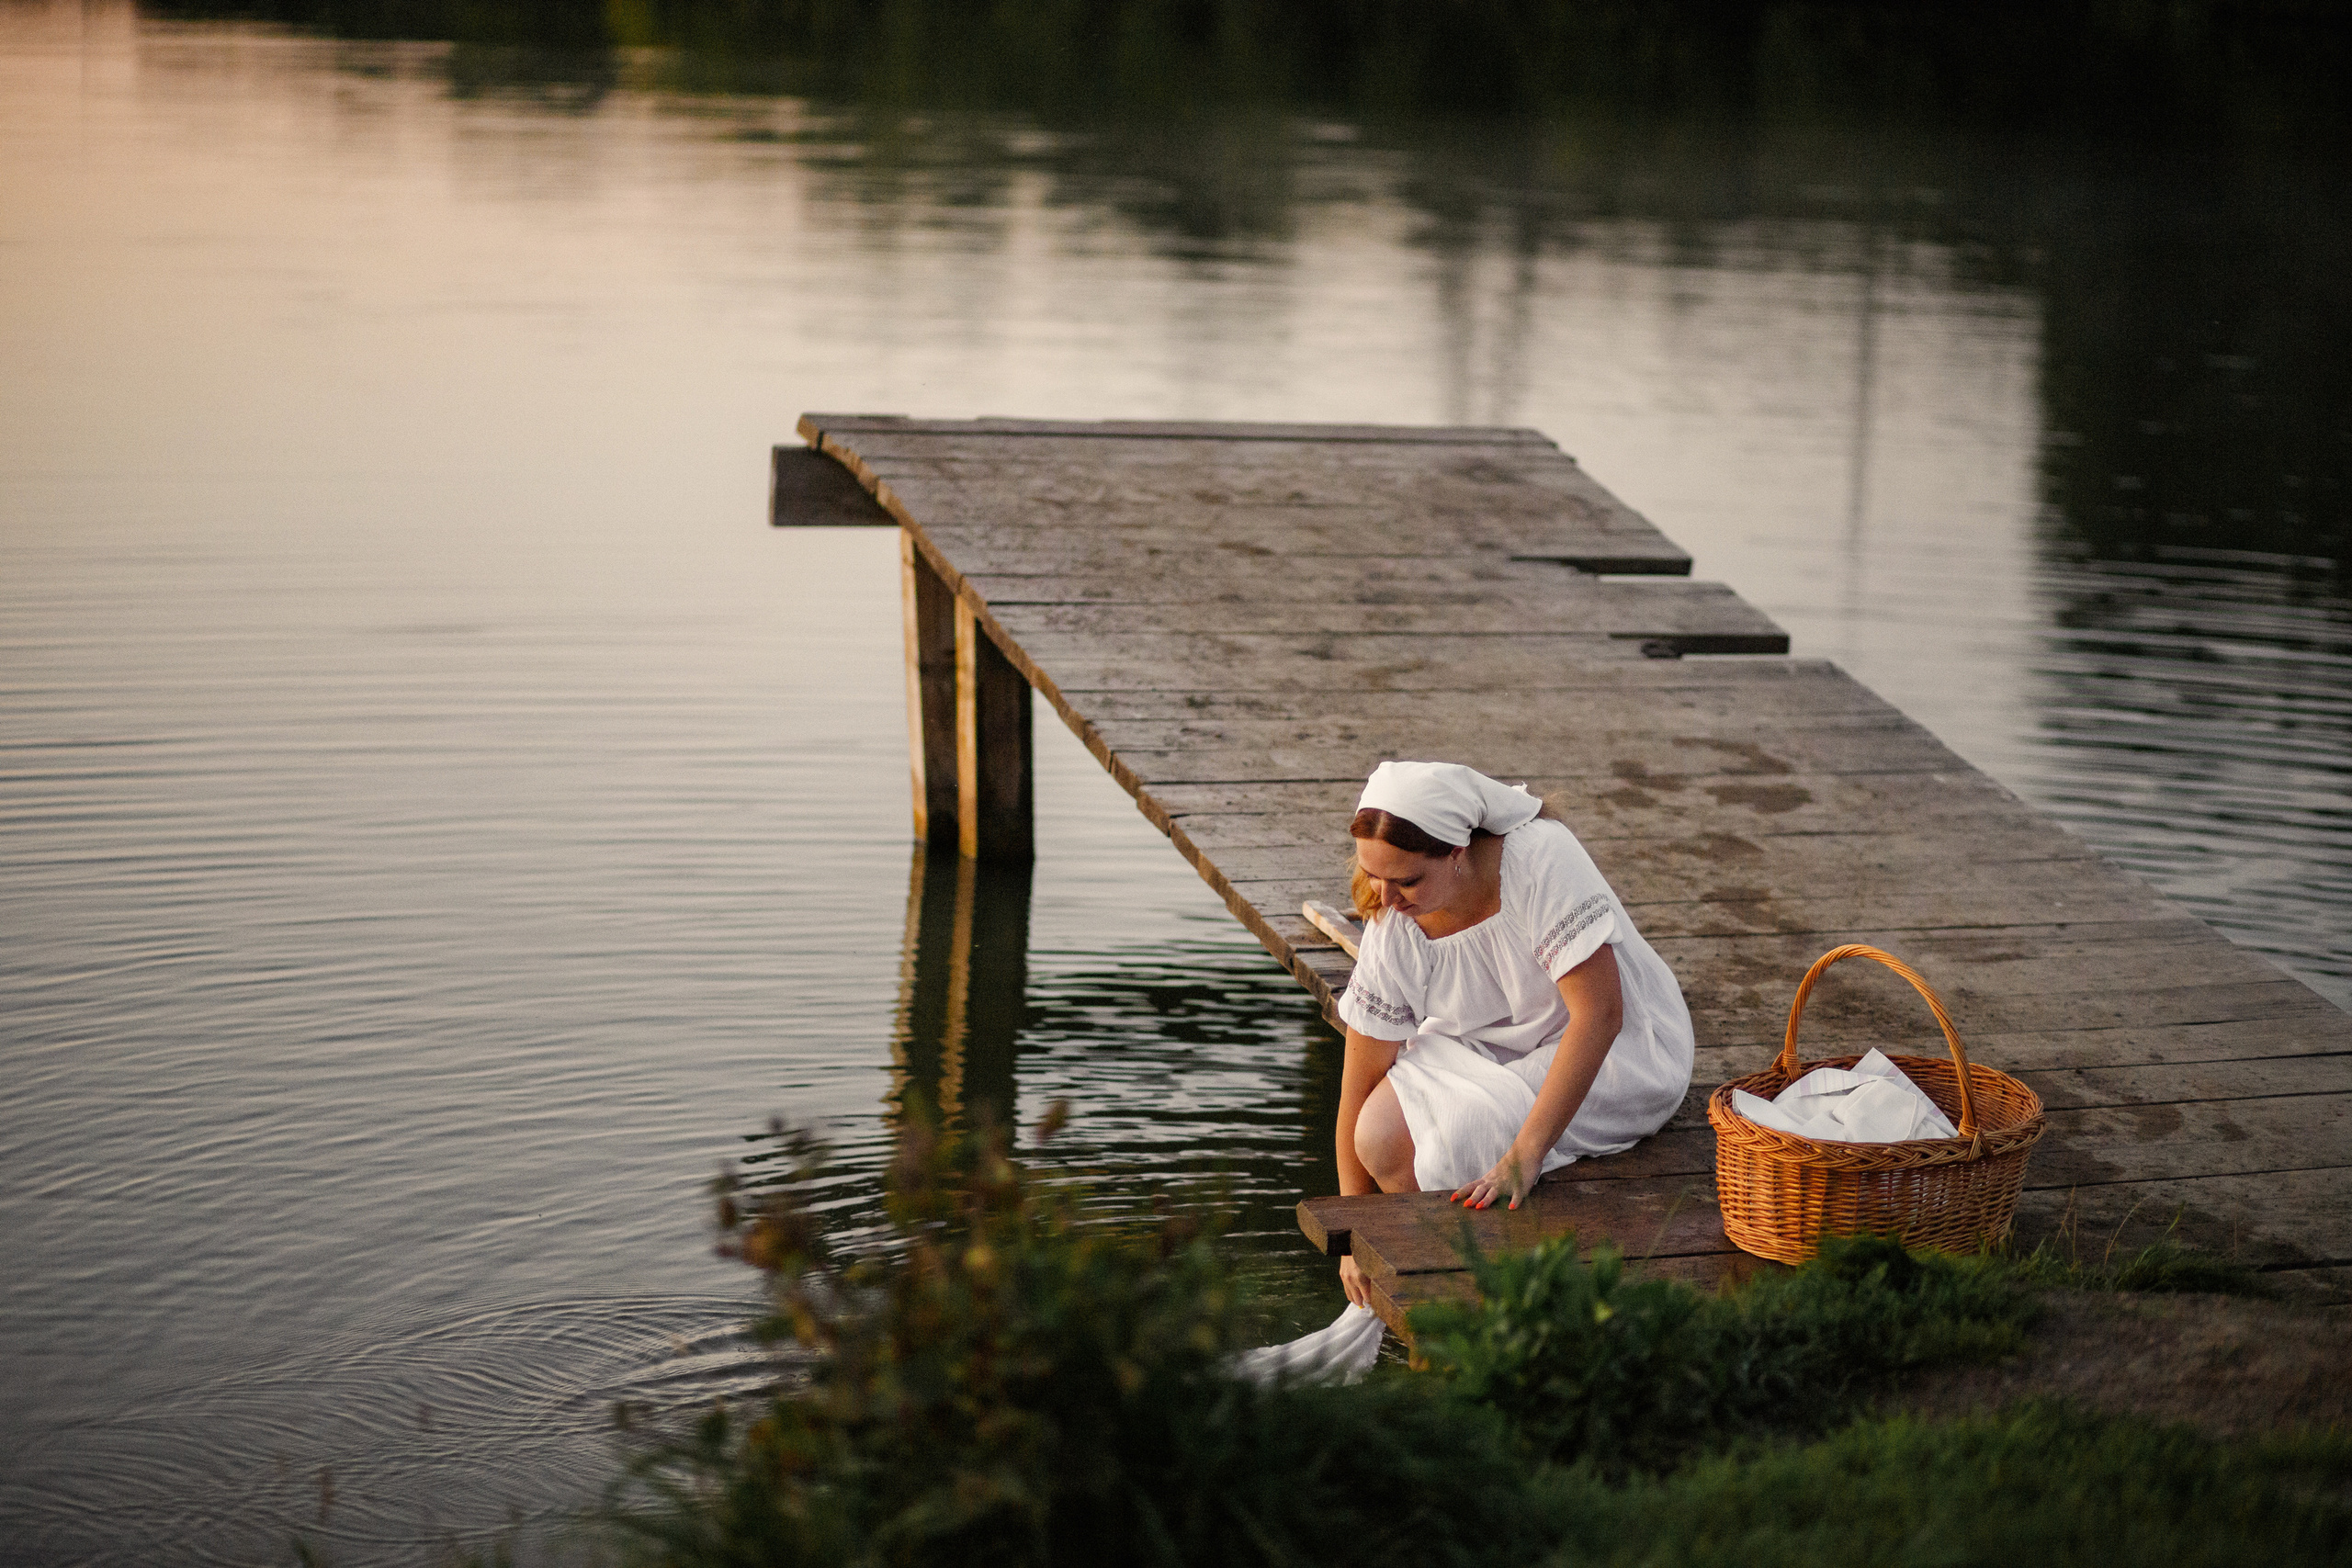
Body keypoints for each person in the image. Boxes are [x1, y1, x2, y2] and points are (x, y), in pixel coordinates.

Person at [1331, 760, 1694, 1311]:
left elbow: (1600, 1015)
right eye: (1374, 876)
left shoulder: (1540, 858)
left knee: (1460, 1133)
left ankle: (1488, 1294)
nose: (1386, 898)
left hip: (1615, 1048)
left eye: (1406, 881)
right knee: (1376, 1135)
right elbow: (1357, 1081)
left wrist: (1525, 1156)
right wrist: (1351, 1238)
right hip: (1487, 1043)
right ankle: (1446, 1270)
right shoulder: (1393, 918)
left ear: (1457, 852)